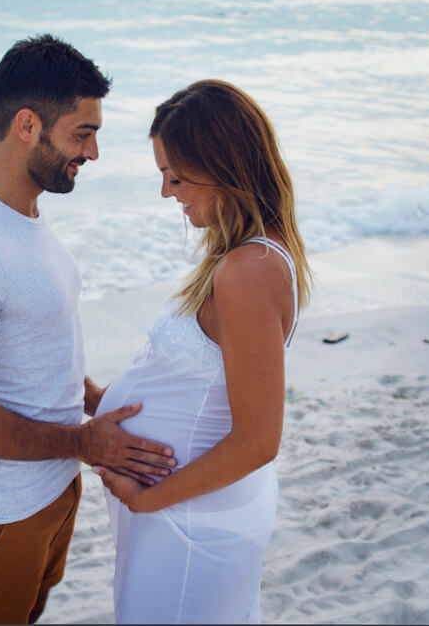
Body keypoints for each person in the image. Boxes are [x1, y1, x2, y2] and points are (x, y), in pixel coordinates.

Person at [0, 34, 177, 625]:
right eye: (82, 133)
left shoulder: (25, 217)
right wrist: (85, 443)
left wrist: (92, 400)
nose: (92, 153)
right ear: (28, 125)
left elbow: (33, 343)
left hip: (51, 492)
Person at [92, 79, 313, 623]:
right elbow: (201, 386)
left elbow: (259, 439)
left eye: (177, 176)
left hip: (189, 523)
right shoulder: (245, 257)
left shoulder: (248, 270)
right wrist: (96, 401)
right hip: (187, 513)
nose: (168, 192)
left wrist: (146, 500)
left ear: (224, 168)